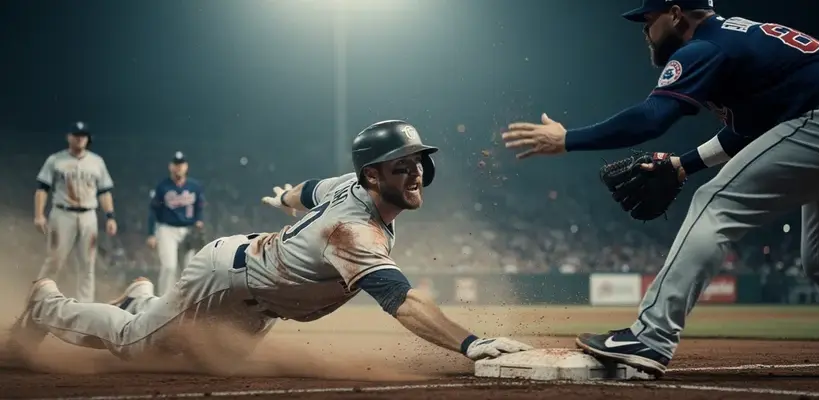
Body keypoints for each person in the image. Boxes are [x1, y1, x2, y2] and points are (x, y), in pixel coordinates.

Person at [8, 120, 532, 366]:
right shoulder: (354, 230)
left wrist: (286, 196)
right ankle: (47, 304)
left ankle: (142, 298)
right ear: (374, 176)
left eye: (420, 162)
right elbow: (404, 302)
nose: (417, 172)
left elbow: (310, 190)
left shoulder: (353, 186)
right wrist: (471, 343)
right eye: (404, 165)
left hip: (259, 296)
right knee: (135, 346)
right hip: (225, 279)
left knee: (212, 361)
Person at [501, 0, 819, 378]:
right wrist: (683, 165)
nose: (645, 31)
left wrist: (568, 139)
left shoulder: (704, 47)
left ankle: (650, 337)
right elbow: (747, 131)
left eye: (649, 19)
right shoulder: (734, 38)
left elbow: (651, 118)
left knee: (715, 204)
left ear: (676, 14)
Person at [33, 121, 118, 303]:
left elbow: (104, 191)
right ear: (68, 137)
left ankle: (85, 306)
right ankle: (37, 300)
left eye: (83, 135)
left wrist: (110, 216)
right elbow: (42, 188)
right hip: (62, 214)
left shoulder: (97, 162)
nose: (80, 138)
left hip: (88, 215)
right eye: (76, 135)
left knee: (88, 263)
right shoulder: (56, 160)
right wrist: (39, 215)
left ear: (88, 139)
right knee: (55, 259)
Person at [147, 151, 206, 295]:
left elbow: (200, 206)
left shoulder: (195, 186)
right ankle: (163, 300)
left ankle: (188, 301)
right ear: (170, 167)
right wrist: (151, 233)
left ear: (186, 167)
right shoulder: (162, 187)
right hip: (167, 229)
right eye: (176, 164)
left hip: (188, 230)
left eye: (181, 164)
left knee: (190, 268)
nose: (178, 167)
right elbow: (153, 210)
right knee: (169, 267)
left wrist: (199, 221)